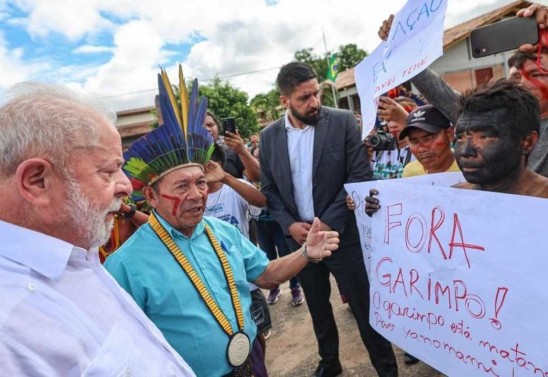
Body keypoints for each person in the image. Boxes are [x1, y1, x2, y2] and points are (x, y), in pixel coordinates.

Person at [105, 66, 340, 377]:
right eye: (181, 186)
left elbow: (267, 275)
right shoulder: (124, 266)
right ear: (151, 195)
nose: (196, 195)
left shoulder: (221, 230)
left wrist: (306, 253)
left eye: (200, 183)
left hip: (252, 362)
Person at [0, 82, 196, 375]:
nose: (127, 186)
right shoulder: (11, 330)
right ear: (37, 181)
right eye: (108, 172)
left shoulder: (78, 255)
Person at [260, 62, 398, 377]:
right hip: (299, 240)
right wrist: (290, 225)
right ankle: (330, 363)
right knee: (318, 307)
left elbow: (358, 176)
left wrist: (328, 222)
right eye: (304, 98)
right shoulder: (268, 137)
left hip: (342, 236)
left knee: (365, 309)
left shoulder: (342, 121)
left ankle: (387, 369)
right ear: (284, 101)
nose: (315, 102)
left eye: (316, 93)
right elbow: (269, 188)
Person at [378, 3, 548, 178]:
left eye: (536, 73)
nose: (524, 84)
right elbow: (440, 94)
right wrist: (402, 48)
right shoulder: (491, 118)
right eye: (516, 78)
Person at [366, 80, 548, 212]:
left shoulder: (542, 201)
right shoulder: (455, 199)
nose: (466, 151)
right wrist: (383, 212)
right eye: (461, 137)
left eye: (484, 136)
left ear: (527, 142)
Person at [250, 145, 305, 306]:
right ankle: (274, 288)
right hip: (260, 224)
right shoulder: (249, 176)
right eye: (256, 157)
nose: (259, 160)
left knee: (287, 255)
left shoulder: (276, 174)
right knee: (267, 258)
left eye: (261, 157)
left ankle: (295, 287)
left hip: (279, 223)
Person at [400, 104, 460, 177]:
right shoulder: (410, 172)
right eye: (414, 141)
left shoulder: (470, 170)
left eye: (428, 139)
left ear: (450, 133)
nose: (421, 149)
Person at [203, 111, 260, 181]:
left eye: (210, 125)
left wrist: (243, 152)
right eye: (200, 126)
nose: (207, 129)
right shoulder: (186, 157)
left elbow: (257, 177)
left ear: (218, 127)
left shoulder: (233, 151)